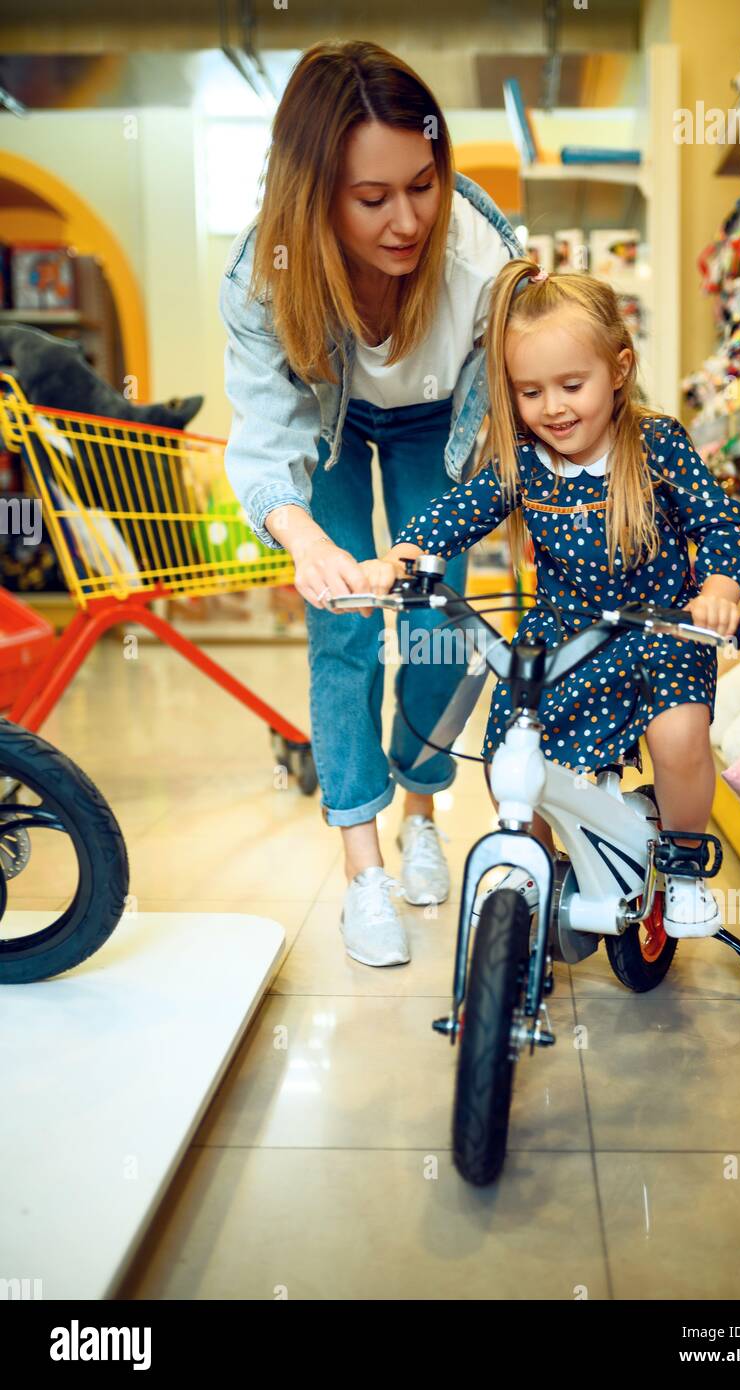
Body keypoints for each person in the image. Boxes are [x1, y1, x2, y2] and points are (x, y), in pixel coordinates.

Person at [218, 41, 524, 968]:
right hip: (330, 422)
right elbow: (266, 436)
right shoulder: (262, 281)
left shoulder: (488, 262)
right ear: (314, 193)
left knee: (439, 621)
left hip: (442, 419)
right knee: (343, 629)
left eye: (423, 185)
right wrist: (304, 538)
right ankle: (362, 868)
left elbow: (534, 390)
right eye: (371, 197)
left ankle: (422, 807)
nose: (408, 221)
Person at [361, 258, 740, 937]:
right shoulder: (521, 461)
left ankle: (687, 867)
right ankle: (531, 857)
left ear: (619, 369)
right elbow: (462, 509)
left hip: (662, 628)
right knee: (511, 741)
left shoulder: (654, 444)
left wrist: (718, 591)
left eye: (572, 384)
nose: (553, 407)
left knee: (680, 736)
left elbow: (723, 524)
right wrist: (411, 552)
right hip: (564, 634)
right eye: (530, 392)